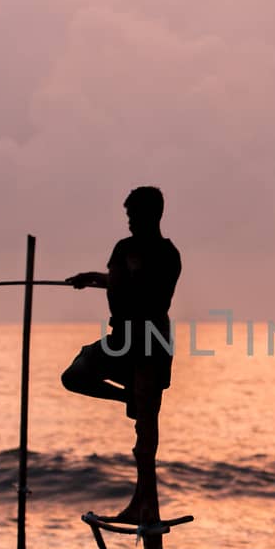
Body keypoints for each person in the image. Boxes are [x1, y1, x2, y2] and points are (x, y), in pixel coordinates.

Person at [62, 187, 181, 521]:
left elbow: (152, 296)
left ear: (152, 215)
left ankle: (141, 504)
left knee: (145, 436)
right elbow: (118, 283)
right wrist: (93, 278)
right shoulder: (124, 248)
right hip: (121, 339)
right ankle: (126, 396)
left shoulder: (167, 254)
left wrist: (121, 278)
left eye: (134, 216)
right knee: (74, 376)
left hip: (150, 344)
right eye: (127, 216)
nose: (129, 223)